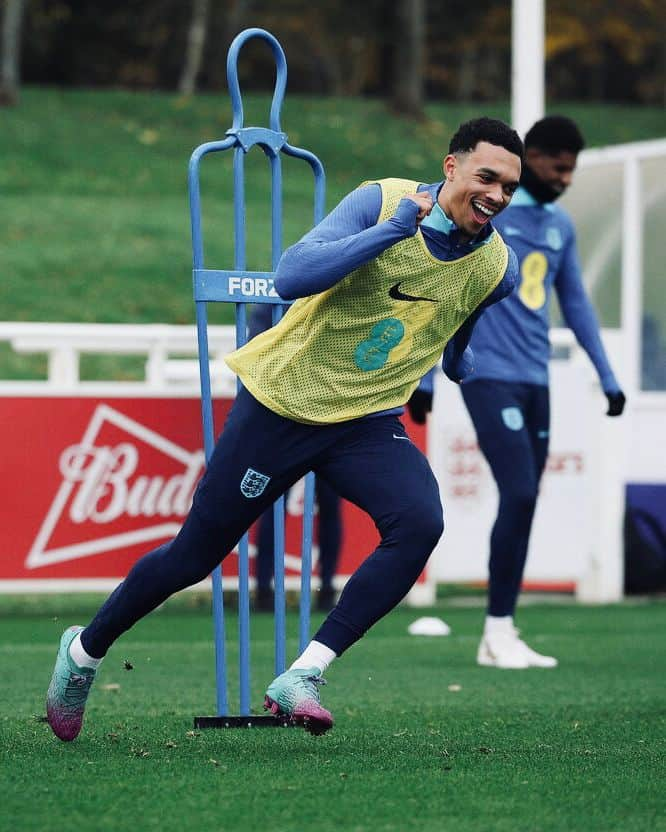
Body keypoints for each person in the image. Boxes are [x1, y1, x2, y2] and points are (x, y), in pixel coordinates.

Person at [46, 117, 523, 741]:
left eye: (510, 187)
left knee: (419, 524)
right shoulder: (381, 201)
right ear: (451, 167)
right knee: (193, 556)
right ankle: (84, 652)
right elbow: (291, 277)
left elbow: (459, 319)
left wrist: (460, 361)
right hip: (282, 404)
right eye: (487, 177)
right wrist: (391, 232)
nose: (497, 195)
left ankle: (303, 675)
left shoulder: (498, 267)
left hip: (367, 421)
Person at [459, 115, 625, 669]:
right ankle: (496, 629)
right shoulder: (488, 215)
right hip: (485, 372)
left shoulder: (561, 227)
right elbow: (444, 290)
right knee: (521, 491)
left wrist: (606, 375)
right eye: (560, 166)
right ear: (532, 160)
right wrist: (431, 375)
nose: (568, 178)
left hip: (536, 378)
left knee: (524, 501)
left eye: (573, 168)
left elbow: (574, 302)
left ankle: (501, 630)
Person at [248, 304, 342, 614]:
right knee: (273, 505)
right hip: (287, 416)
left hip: (327, 414)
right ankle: (263, 589)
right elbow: (258, 351)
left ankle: (326, 588)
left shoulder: (329, 286)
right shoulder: (280, 295)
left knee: (326, 505)